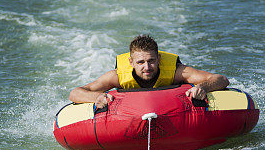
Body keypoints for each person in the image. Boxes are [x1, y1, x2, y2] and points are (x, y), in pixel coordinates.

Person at [69, 34, 229, 109]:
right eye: (140, 62)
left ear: (159, 59)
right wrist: (97, 97)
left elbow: (221, 79)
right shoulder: (117, 76)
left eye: (151, 61)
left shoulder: (176, 71)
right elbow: (75, 93)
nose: (147, 67)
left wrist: (203, 88)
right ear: (131, 62)